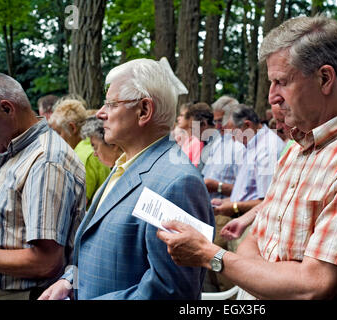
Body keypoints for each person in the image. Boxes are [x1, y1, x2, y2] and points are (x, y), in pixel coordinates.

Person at [157, 15, 337, 300]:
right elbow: (252, 241)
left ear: (325, 78)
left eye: (281, 82)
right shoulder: (296, 148)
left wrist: (208, 254)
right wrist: (273, 275)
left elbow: (312, 286)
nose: (272, 97)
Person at [39, 57, 214, 300]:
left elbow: (170, 292)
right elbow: (103, 249)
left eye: (111, 104)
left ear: (144, 110)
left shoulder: (178, 183)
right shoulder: (126, 163)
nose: (100, 113)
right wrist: (70, 282)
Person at [0, 73, 86, 300]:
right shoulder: (13, 149)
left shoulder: (46, 161)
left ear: (7, 109)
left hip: (23, 294)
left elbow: (46, 263)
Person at [49, 98, 111, 208]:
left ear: (72, 128)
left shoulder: (80, 157)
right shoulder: (92, 148)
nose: (54, 139)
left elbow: (77, 204)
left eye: (58, 133)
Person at [173, 102, 204, 167]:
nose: (178, 118)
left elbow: (195, 168)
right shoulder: (186, 140)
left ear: (191, 118)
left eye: (182, 115)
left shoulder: (197, 142)